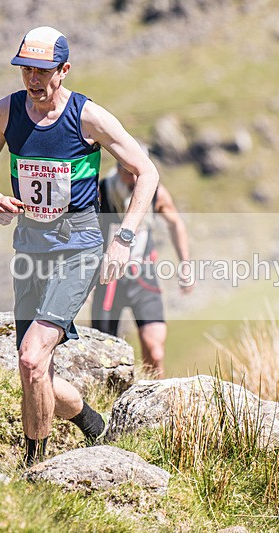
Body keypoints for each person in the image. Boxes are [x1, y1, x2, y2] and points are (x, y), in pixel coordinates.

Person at [0, 26, 159, 466]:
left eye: (42, 71)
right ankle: (95, 425)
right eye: (25, 70)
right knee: (34, 371)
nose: (33, 79)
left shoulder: (88, 116)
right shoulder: (6, 112)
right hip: (29, 249)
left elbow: (146, 172)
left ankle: (34, 469)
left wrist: (123, 239)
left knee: (31, 358)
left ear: (64, 70)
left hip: (80, 247)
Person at [91, 145, 193, 379]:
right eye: (129, 172)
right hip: (108, 280)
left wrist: (185, 264)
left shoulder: (156, 193)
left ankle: (153, 395)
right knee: (102, 354)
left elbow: (176, 223)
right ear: (118, 168)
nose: (135, 180)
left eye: (139, 173)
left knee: (155, 351)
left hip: (143, 278)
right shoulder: (101, 190)